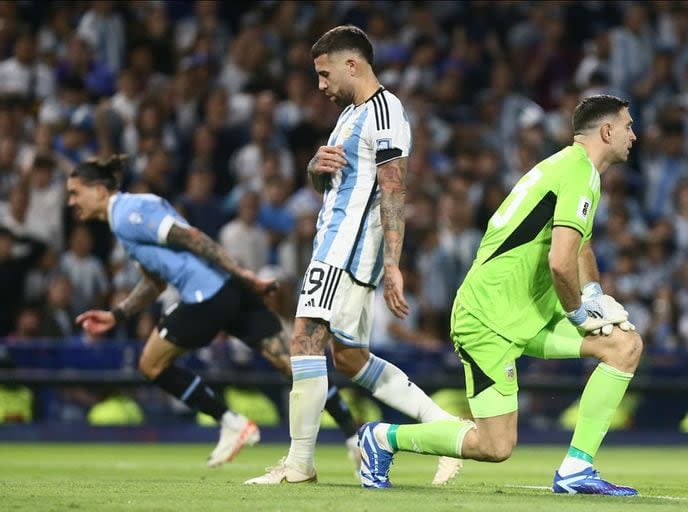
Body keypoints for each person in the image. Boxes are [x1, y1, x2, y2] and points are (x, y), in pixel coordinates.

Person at [357, 95, 644, 495]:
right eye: (629, 126)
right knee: (495, 446)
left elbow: (580, 248)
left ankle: (577, 469)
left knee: (623, 346)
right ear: (607, 131)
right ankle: (383, 438)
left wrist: (594, 291)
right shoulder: (578, 172)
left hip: (528, 313)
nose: (634, 134)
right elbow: (561, 264)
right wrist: (580, 313)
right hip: (487, 320)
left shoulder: (574, 170)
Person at [245, 25, 462, 486]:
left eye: (324, 75)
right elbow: (336, 183)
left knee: (304, 339)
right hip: (336, 245)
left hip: (346, 250)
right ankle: (450, 430)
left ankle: (299, 464)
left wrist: (392, 265)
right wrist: (313, 168)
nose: (321, 86)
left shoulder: (386, 113)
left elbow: (393, 188)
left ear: (352, 64)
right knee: (348, 358)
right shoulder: (350, 115)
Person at [67, 155, 361, 469]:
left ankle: (231, 423)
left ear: (99, 190)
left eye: (75, 193)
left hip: (206, 295)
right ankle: (353, 436)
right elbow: (155, 282)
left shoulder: (128, 213)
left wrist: (243, 273)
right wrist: (117, 315)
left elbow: (192, 237)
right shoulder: (127, 216)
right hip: (230, 291)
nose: (71, 202)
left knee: (151, 364)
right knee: (296, 366)